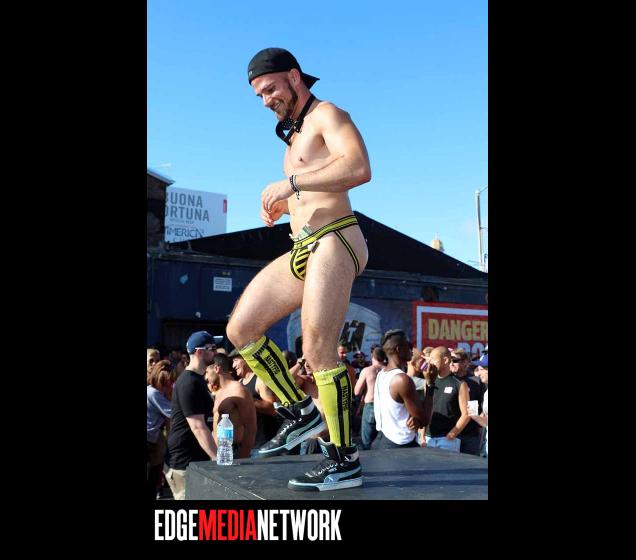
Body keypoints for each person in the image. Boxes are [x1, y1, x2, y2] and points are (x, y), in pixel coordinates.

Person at [225, 48, 371, 491]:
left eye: (269, 89)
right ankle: (300, 412)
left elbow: (358, 167)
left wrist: (290, 184)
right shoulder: (293, 137)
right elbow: (311, 188)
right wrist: (285, 205)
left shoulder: (328, 114)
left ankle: (343, 459)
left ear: (293, 76)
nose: (266, 99)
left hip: (336, 237)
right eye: (259, 95)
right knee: (241, 329)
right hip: (303, 245)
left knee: (319, 350)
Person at [164, 331, 218, 500]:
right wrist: (218, 459)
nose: (215, 352)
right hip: (184, 463)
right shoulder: (189, 382)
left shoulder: (197, 379)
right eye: (212, 348)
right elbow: (198, 427)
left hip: (193, 460)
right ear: (199, 352)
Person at [372, 330, 428, 449]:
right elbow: (424, 420)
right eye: (409, 345)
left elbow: (397, 410)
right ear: (398, 349)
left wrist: (414, 417)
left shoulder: (382, 374)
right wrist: (431, 384)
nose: (412, 349)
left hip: (382, 440)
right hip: (399, 445)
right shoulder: (402, 379)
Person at [230, 349, 282, 454]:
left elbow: (273, 409)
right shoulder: (239, 384)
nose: (233, 365)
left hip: (264, 443)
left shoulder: (259, 380)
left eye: (235, 361)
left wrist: (246, 400)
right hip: (245, 445)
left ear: (246, 359)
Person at [419, 346, 470, 452]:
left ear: (445, 360)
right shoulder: (428, 382)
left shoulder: (460, 384)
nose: (430, 363)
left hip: (447, 440)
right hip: (428, 439)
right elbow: (424, 409)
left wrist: (453, 433)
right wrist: (422, 436)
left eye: (433, 359)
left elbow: (466, 414)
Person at [206, 354, 257, 459]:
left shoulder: (238, 390)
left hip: (233, 453)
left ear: (216, 368)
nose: (205, 376)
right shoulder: (219, 392)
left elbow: (251, 427)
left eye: (207, 372)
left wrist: (242, 457)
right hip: (220, 453)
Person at [147, 360, 176, 499]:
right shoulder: (154, 393)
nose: (168, 387)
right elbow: (172, 412)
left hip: (153, 439)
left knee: (154, 474)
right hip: (149, 440)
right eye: (165, 384)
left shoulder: (152, 391)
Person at [450, 347, 484, 455]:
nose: (451, 363)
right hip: (450, 433)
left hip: (470, 435)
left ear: (465, 362)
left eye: (455, 360)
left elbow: (481, 407)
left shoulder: (476, 381)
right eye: (449, 360)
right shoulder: (446, 380)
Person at [354, 346, 386, 449]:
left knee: (367, 441)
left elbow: (357, 391)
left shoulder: (367, 371)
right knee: (383, 439)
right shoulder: (388, 370)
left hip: (371, 406)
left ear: (373, 357)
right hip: (386, 407)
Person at [469, 354, 488, 457]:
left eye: (481, 369)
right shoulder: (487, 392)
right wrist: (475, 415)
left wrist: (474, 416)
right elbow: (486, 421)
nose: (478, 373)